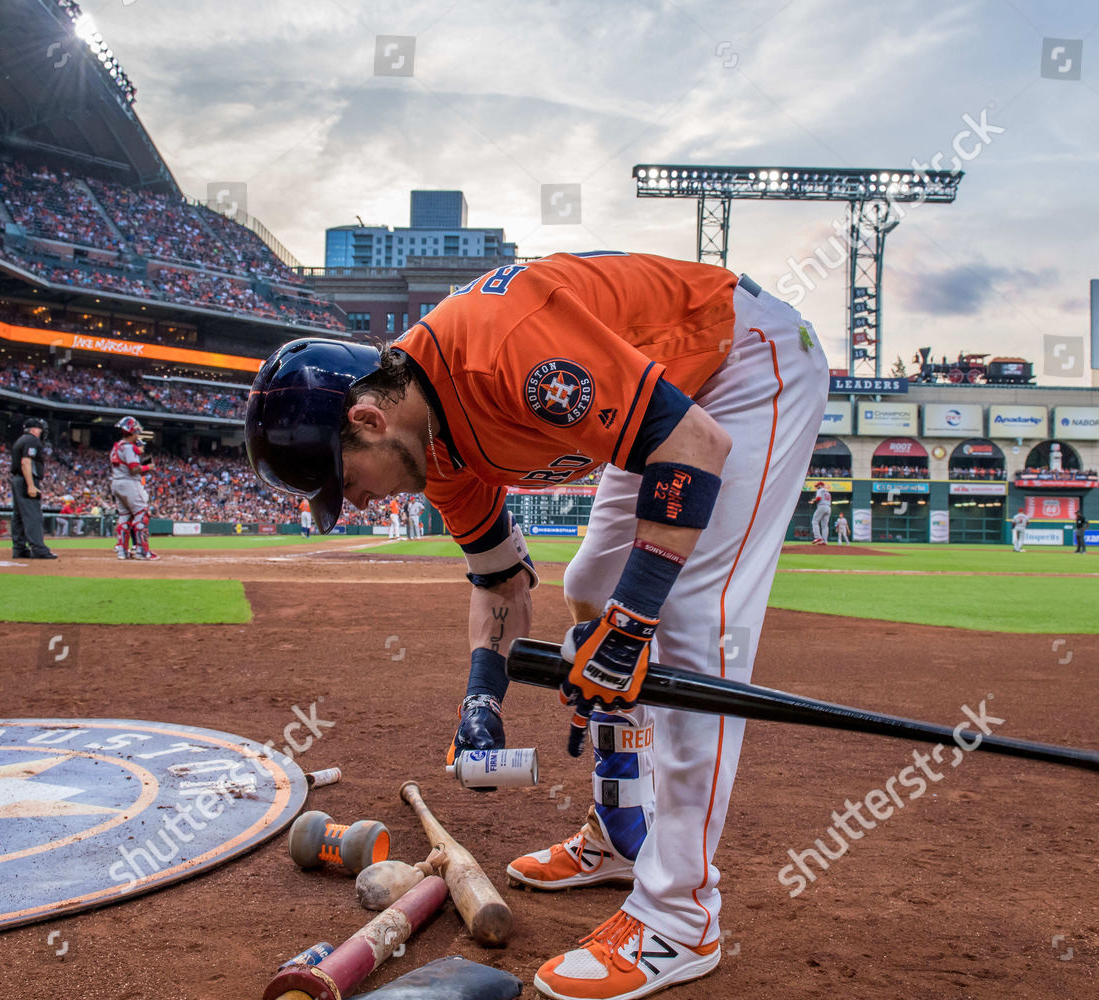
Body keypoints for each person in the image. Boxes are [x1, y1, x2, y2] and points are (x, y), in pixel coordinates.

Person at [244, 251, 829, 1000]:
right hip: (671, 392)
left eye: (346, 481)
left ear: (369, 418)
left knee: (690, 618)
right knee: (590, 580)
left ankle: (680, 914)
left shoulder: (498, 353)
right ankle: (622, 827)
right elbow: (501, 582)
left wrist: (628, 629)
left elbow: (695, 447)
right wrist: (481, 697)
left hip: (743, 362)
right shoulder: (435, 450)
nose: (354, 504)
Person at [109, 416, 159, 560]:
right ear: (132, 431)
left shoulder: (117, 446)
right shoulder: (129, 447)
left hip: (117, 483)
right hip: (129, 483)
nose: (138, 434)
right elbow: (133, 468)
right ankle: (142, 551)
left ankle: (122, 551)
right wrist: (148, 467)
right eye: (136, 432)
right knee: (142, 514)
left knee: (124, 516)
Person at [9, 417, 56, 559]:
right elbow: (26, 462)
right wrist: (30, 485)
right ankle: (38, 549)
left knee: (18, 517)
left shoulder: (21, 440)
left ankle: (19, 549)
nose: (43, 433)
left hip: (17, 479)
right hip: (26, 479)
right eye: (41, 429)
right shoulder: (32, 440)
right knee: (33, 516)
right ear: (35, 429)